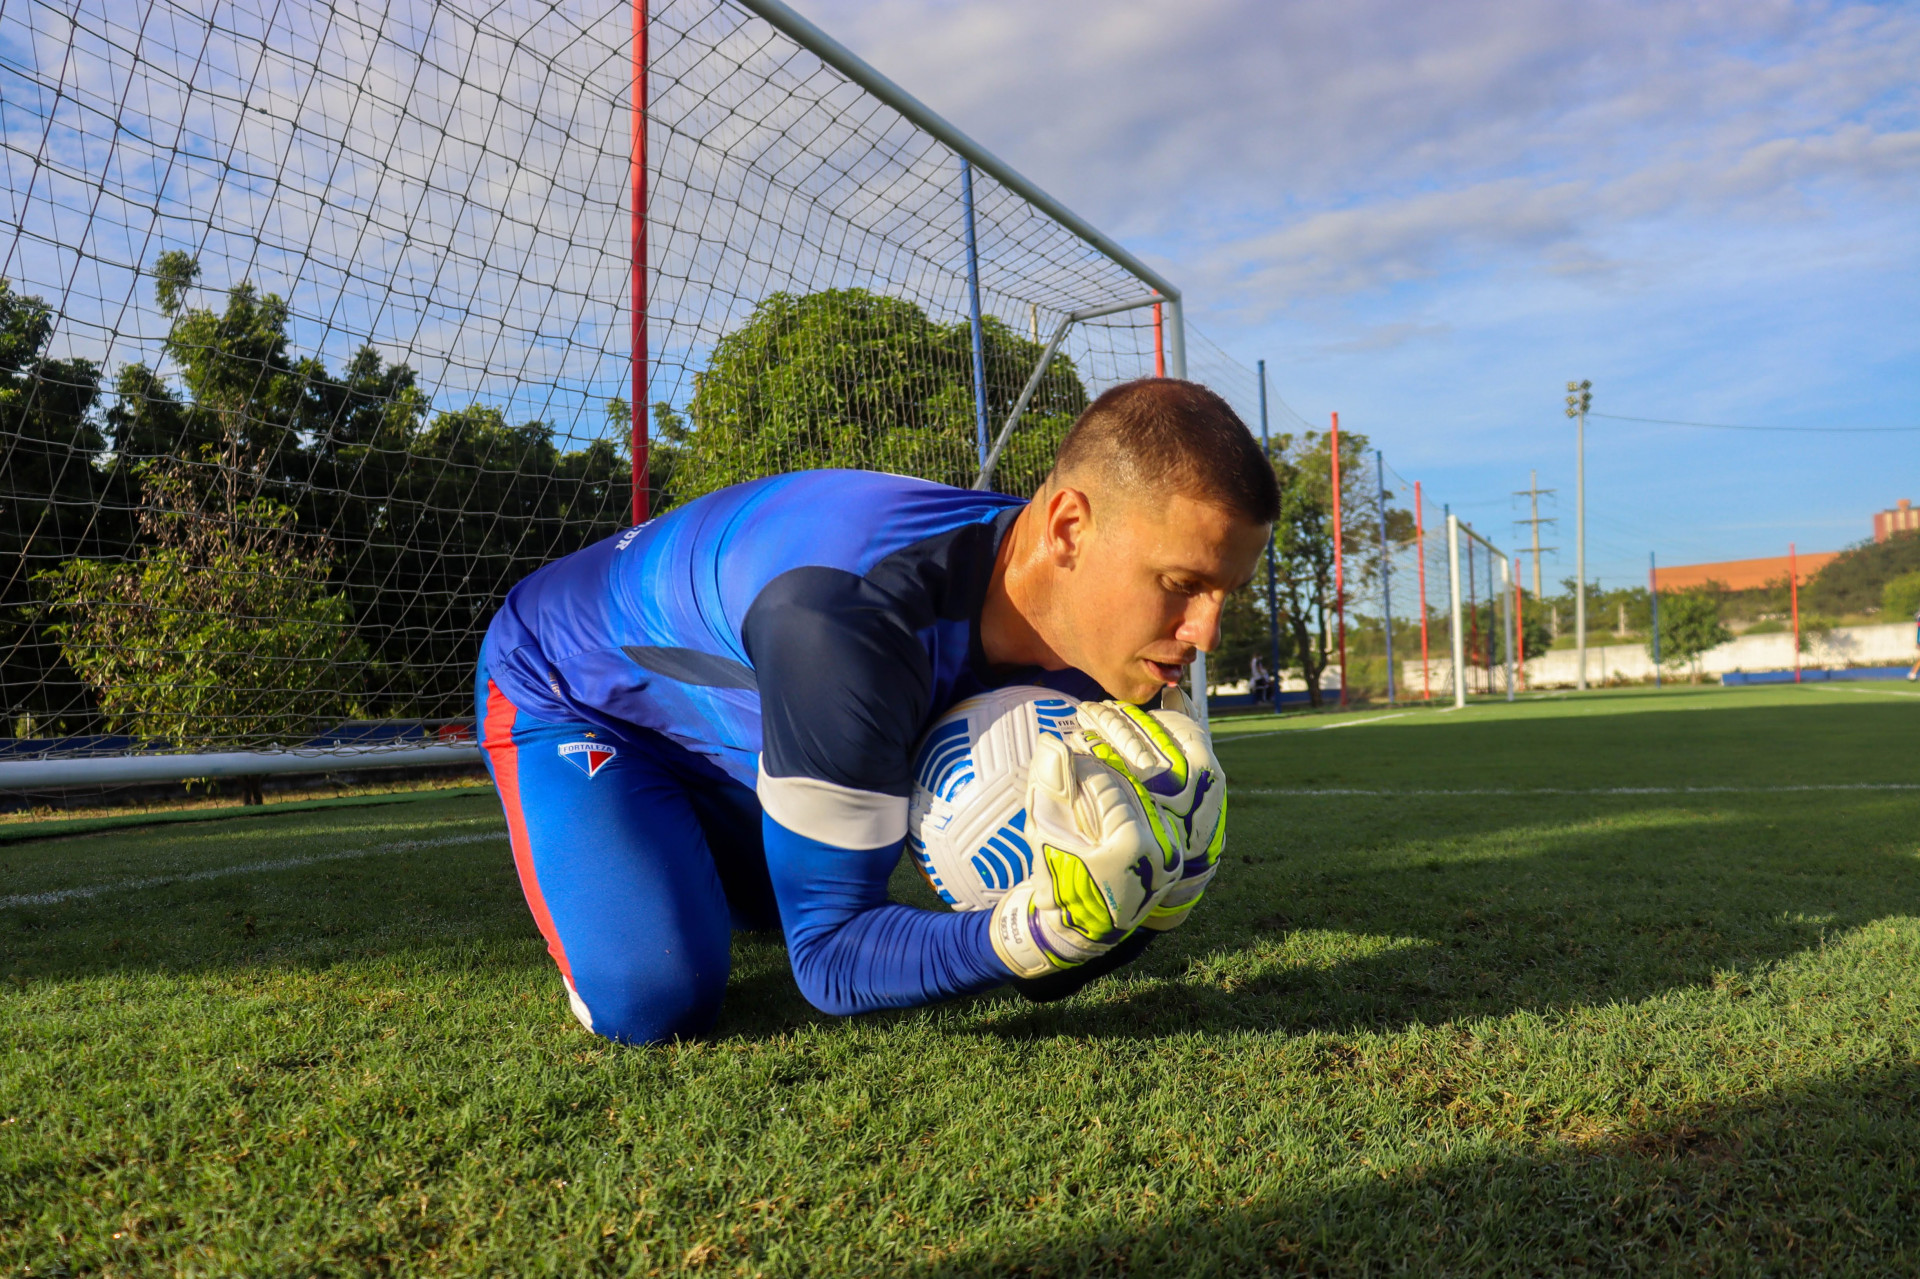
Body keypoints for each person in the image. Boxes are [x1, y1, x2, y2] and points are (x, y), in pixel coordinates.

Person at [475, 378, 1277, 1044]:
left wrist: (1161, 895)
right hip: (573, 684)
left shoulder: (1095, 631)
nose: (1205, 633)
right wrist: (1029, 932)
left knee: (767, 903)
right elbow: (830, 958)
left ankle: (688, 841)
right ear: (1069, 526)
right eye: (1180, 584)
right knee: (655, 996)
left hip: (746, 708)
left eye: (1223, 595)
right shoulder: (851, 623)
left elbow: (1053, 968)